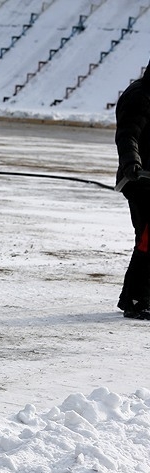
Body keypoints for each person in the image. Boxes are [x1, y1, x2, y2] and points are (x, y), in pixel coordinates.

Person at [115, 58, 150, 319]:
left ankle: (137, 296)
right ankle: (137, 299)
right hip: (139, 180)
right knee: (148, 239)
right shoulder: (140, 95)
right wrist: (131, 161)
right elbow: (128, 134)